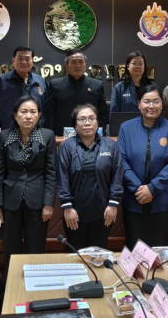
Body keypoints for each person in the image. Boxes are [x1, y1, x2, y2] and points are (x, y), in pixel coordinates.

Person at [116, 85, 168, 248]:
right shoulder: (126, 128)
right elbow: (121, 161)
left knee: (161, 249)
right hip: (134, 198)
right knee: (135, 249)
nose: (151, 106)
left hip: (163, 199)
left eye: (156, 101)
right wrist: (139, 189)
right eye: (147, 101)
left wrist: (153, 188)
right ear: (139, 104)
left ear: (162, 103)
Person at [0, 96, 57, 255]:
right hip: (10, 200)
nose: (28, 116)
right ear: (15, 115)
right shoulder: (4, 137)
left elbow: (50, 172)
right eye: (24, 112)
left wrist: (48, 204)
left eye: (33, 112)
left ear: (39, 115)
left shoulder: (47, 136)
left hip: (37, 200)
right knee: (10, 249)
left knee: (35, 249)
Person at [57, 104, 123, 249]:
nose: (87, 123)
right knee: (75, 253)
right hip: (74, 212)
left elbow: (117, 176)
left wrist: (113, 204)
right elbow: (62, 178)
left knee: (98, 253)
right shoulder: (66, 147)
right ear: (75, 125)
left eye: (91, 118)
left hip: (103, 212)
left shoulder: (110, 146)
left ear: (98, 122)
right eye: (82, 119)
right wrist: (67, 207)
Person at [44, 50, 108, 136]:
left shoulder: (97, 85)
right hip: (61, 135)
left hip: (90, 135)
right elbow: (49, 114)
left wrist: (99, 134)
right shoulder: (55, 85)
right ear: (67, 66)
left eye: (81, 62)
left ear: (85, 65)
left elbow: (103, 114)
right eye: (74, 62)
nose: (78, 65)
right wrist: (50, 135)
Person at [0, 46, 46, 130]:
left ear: (32, 61)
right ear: (13, 60)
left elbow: (45, 108)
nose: (24, 62)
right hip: (8, 132)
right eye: (20, 59)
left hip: (36, 131)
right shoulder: (0, 81)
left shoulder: (40, 81)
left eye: (27, 59)